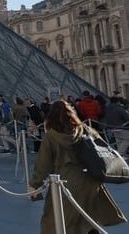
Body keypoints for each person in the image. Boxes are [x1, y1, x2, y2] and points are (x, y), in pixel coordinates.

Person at [30, 100, 126, 233]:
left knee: (61, 221)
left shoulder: (51, 136)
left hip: (64, 182)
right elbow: (103, 150)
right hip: (91, 180)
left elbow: (42, 165)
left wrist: (35, 185)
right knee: (89, 219)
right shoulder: (85, 130)